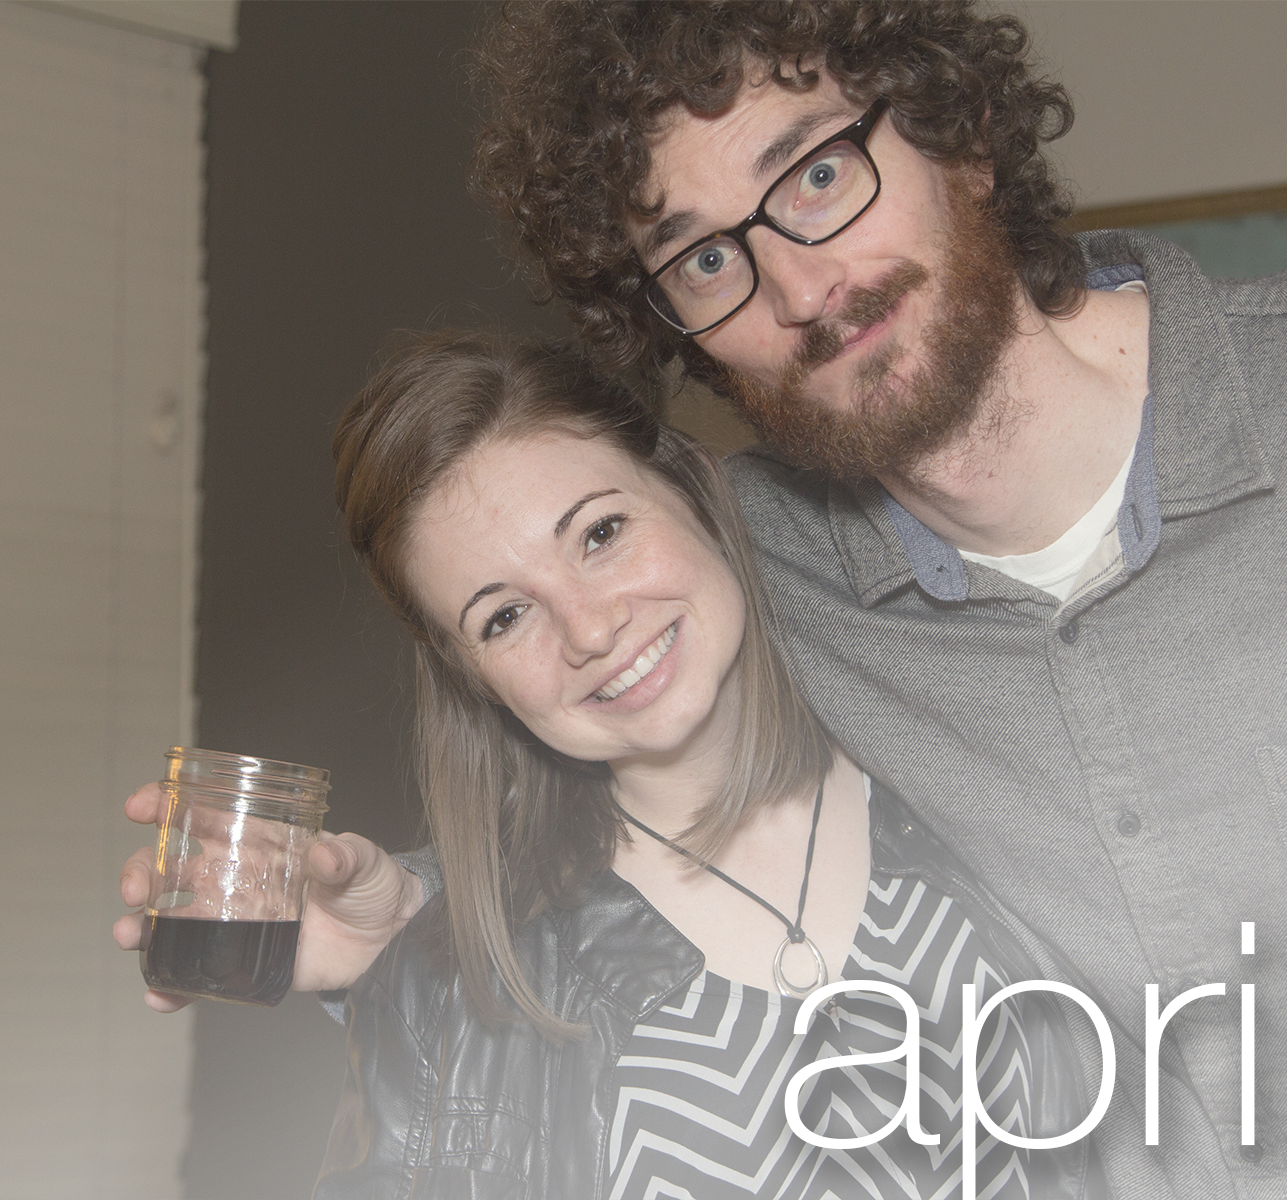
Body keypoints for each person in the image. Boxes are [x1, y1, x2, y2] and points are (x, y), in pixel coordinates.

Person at [117, 2, 1287, 1194]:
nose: (799, 289)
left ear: (958, 131)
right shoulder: (756, 556)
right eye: (706, 260)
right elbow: (621, 757)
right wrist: (412, 925)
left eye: (816, 176)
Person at [316, 330, 1102, 1199]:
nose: (590, 629)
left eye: (601, 533)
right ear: (475, 680)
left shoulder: (995, 767)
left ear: (692, 486)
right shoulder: (445, 999)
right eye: (504, 617)